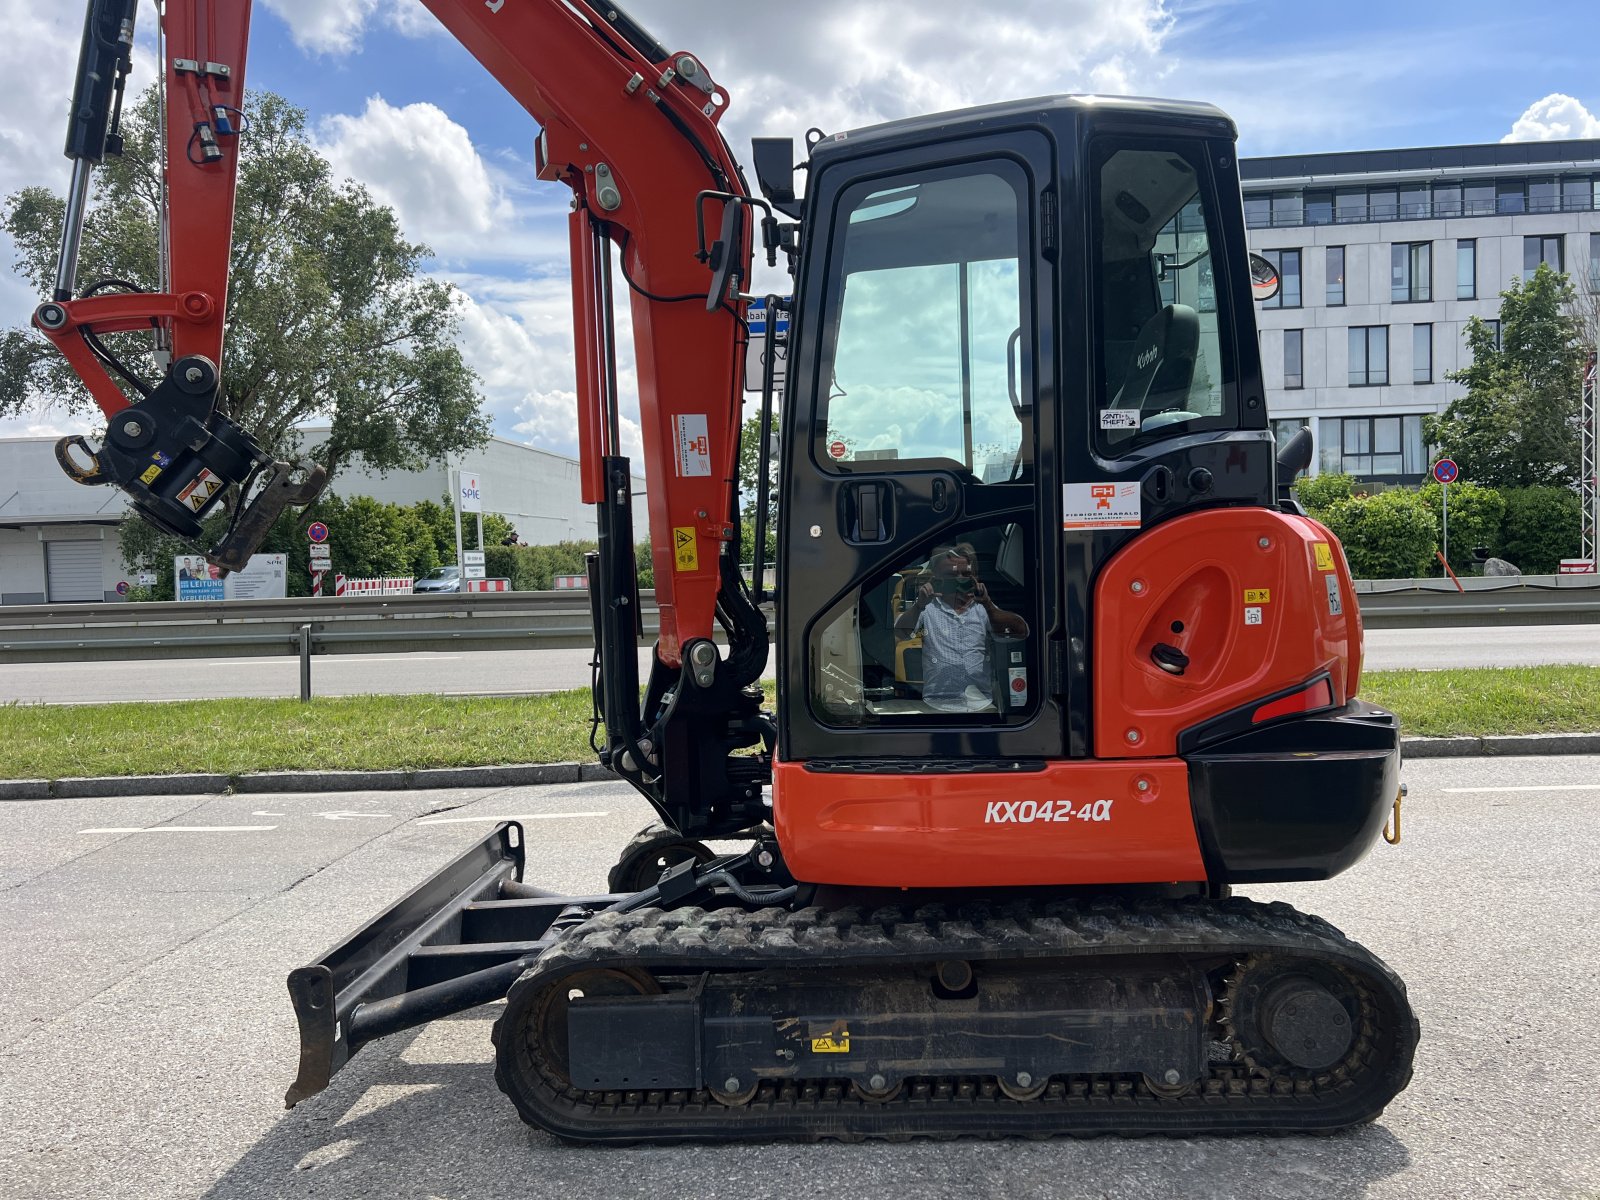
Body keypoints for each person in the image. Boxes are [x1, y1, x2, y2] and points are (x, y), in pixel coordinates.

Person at [894, 544, 1028, 712]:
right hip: (936, 706)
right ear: (936, 578)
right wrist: (918, 605)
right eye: (951, 576)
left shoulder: (982, 608)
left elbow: (1020, 632)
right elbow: (899, 634)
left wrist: (987, 604)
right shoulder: (927, 607)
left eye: (965, 575)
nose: (959, 580)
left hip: (980, 705)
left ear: (975, 578)